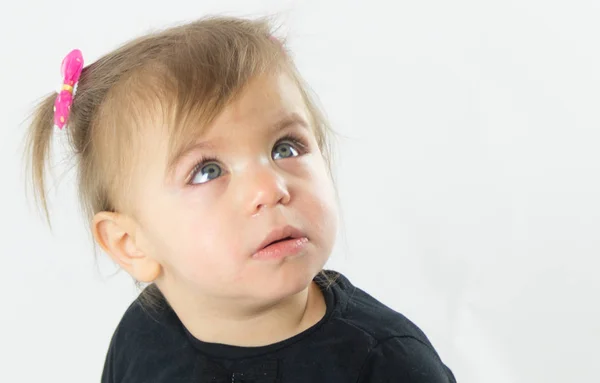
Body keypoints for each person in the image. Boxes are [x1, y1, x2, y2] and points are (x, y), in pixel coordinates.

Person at [25, 16, 457, 383]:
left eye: (285, 148)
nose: (270, 189)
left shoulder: (385, 363)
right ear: (130, 244)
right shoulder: (142, 337)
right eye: (207, 171)